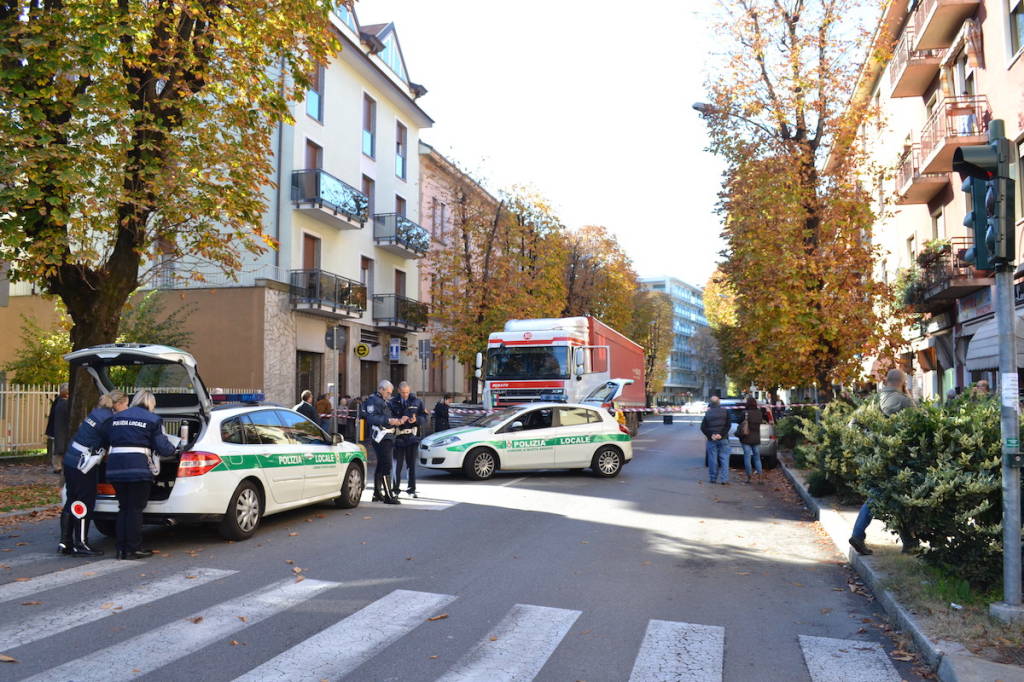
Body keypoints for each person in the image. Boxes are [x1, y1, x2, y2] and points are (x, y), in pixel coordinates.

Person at [98, 390, 177, 560]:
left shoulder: (115, 418)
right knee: (135, 509)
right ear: (151, 403)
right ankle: (133, 549)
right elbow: (163, 448)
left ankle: (121, 549)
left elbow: (104, 438)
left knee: (124, 508)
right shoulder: (152, 419)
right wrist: (175, 449)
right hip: (137, 469)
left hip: (115, 468)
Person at [849, 369, 916, 556]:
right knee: (902, 497)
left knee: (876, 495)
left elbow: (852, 425)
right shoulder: (904, 401)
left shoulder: (872, 401)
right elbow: (918, 423)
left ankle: (858, 534)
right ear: (903, 383)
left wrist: (869, 441)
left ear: (886, 382)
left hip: (874, 457)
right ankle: (909, 542)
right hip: (897, 456)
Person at [59, 390, 129, 557]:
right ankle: (81, 543)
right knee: (85, 501)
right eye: (126, 405)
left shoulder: (97, 412)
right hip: (83, 464)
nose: (127, 408)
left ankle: (65, 542)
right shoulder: (109, 419)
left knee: (72, 499)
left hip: (70, 460)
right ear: (118, 404)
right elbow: (115, 440)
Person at [363, 380, 402, 504]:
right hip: (381, 437)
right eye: (388, 392)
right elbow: (371, 418)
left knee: (381, 465)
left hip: (387, 436)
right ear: (381, 389)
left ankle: (377, 494)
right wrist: (389, 420)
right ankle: (388, 496)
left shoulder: (383, 400)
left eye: (390, 393)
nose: (389, 395)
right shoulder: (373, 400)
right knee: (386, 465)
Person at [390, 382, 427, 498]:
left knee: (411, 465)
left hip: (412, 437)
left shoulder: (417, 401)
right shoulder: (392, 402)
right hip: (398, 437)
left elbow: (425, 417)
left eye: (407, 392)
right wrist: (398, 420)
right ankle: (395, 489)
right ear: (399, 391)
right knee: (397, 465)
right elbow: (388, 417)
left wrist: (416, 420)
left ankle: (411, 489)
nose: (405, 395)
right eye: (403, 392)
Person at [700, 396, 731, 485]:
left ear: (710, 403)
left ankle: (713, 478)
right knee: (724, 459)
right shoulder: (726, 412)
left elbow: (703, 427)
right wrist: (720, 434)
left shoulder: (708, 413)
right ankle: (724, 480)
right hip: (723, 439)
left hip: (712, 439)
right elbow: (728, 425)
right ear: (719, 402)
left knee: (712, 459)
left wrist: (711, 435)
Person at [45, 383, 70, 474]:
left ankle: (58, 466)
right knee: (59, 447)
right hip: (60, 427)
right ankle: (58, 466)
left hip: (59, 427)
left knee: (59, 447)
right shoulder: (63, 401)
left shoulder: (59, 400)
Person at [739, 396, 764, 484]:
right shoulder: (759, 413)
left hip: (746, 438)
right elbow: (761, 422)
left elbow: (740, 422)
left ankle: (749, 478)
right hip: (756, 438)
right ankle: (760, 478)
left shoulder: (745, 413)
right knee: (757, 458)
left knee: (747, 457)